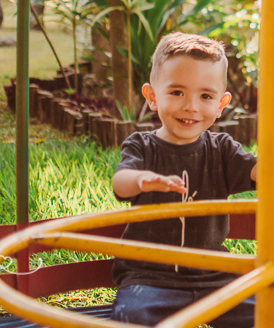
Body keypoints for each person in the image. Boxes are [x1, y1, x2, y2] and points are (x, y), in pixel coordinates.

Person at [110, 32, 258, 328]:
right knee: (132, 318)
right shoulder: (142, 146)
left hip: (214, 275)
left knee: (270, 312)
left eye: (205, 96)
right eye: (177, 92)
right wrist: (141, 180)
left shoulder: (222, 150)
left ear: (221, 103)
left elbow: (261, 173)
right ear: (152, 96)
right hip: (149, 277)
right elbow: (120, 183)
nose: (191, 106)